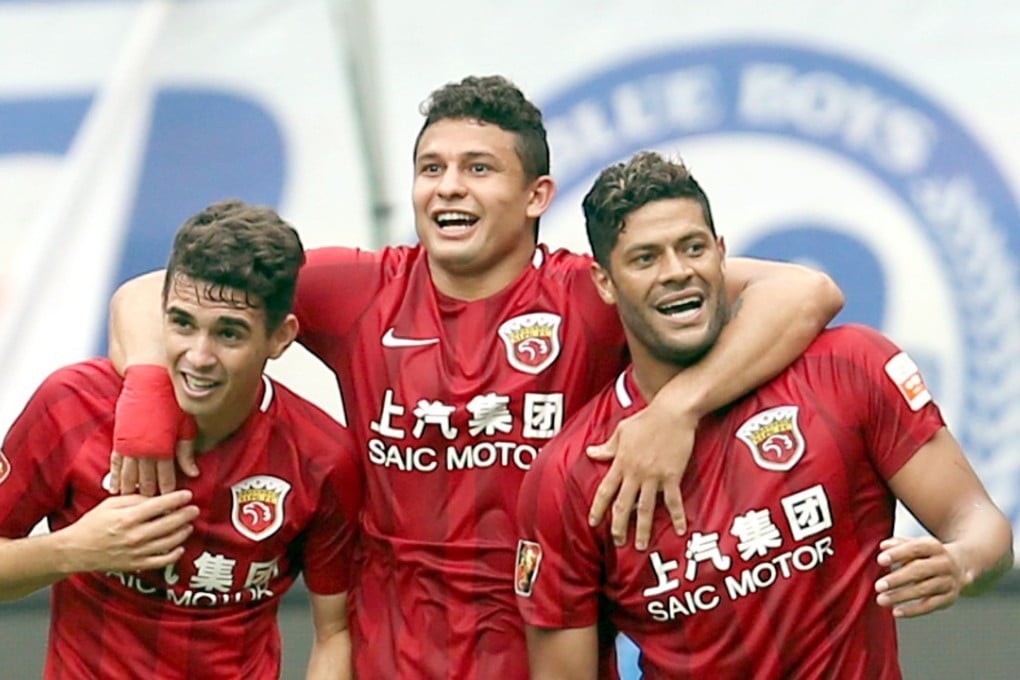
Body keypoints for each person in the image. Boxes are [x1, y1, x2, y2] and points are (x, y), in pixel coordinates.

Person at [107, 76, 845, 678]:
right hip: (392, 656)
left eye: (478, 169)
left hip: (552, 646)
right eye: (433, 169)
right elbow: (151, 293)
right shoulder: (360, 290)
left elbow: (805, 291)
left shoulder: (586, 293)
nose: (448, 189)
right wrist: (146, 393)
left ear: (536, 196)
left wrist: (677, 408)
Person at [515, 151, 1014, 679]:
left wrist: (959, 562)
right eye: (645, 259)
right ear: (605, 283)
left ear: (722, 254)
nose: (678, 272)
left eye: (693, 248)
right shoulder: (571, 476)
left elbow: (981, 524)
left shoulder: (849, 369)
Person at [0, 200, 362, 679]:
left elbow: (336, 632)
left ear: (280, 338)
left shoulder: (323, 459)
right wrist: (75, 550)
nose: (198, 356)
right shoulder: (72, 405)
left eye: (229, 334)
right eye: (182, 323)